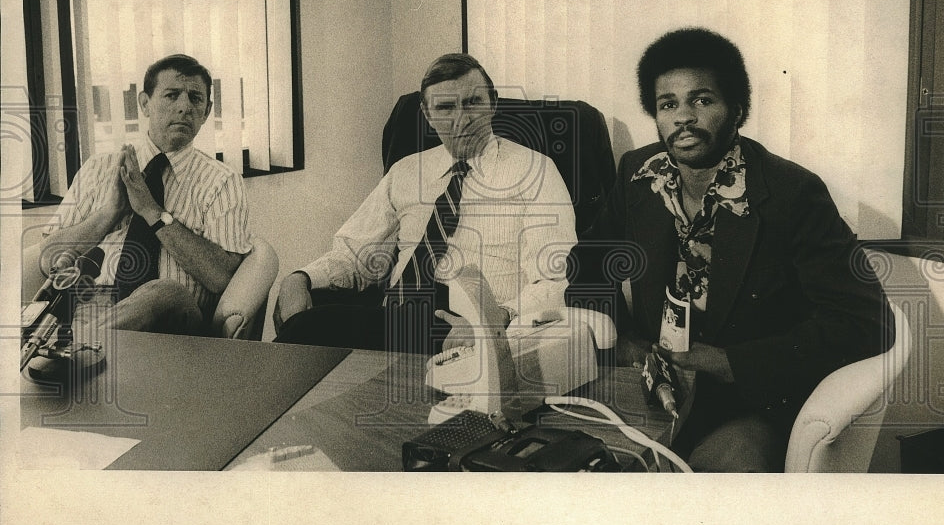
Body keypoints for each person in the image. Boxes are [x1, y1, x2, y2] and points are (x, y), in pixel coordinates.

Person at [584, 27, 894, 472]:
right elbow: (587, 263)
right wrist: (626, 341)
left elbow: (867, 323)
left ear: (737, 110)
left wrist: (730, 362)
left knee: (720, 486)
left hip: (751, 398)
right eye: (668, 104)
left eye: (702, 100)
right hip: (658, 385)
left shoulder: (792, 194)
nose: (683, 117)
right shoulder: (639, 175)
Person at [274, 53, 577, 353]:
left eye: (473, 102)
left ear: (493, 103)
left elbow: (554, 279)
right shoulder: (405, 172)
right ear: (427, 115)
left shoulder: (535, 171)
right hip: (393, 321)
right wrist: (300, 278)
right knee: (305, 330)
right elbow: (355, 255)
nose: (463, 120)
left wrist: (503, 315)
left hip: (475, 327)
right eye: (445, 107)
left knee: (306, 331)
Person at [39, 54, 253, 335]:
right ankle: (85, 348)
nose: (184, 107)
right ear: (144, 104)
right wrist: (109, 213)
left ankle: (80, 351)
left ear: (206, 111)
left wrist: (153, 213)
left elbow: (221, 278)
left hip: (172, 320)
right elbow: (47, 258)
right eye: (172, 95)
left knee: (165, 293)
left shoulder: (222, 182)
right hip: (90, 309)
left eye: (195, 99)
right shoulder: (99, 168)